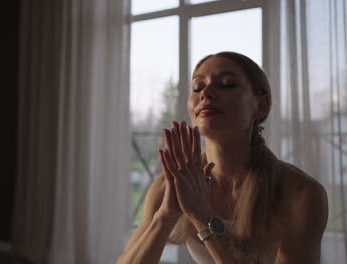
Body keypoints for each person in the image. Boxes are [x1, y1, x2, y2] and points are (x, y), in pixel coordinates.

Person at [116, 51, 328, 263]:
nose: (205, 93)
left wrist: (203, 216)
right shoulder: (171, 187)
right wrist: (165, 216)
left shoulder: (301, 194)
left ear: (261, 106)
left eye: (227, 84)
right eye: (198, 87)